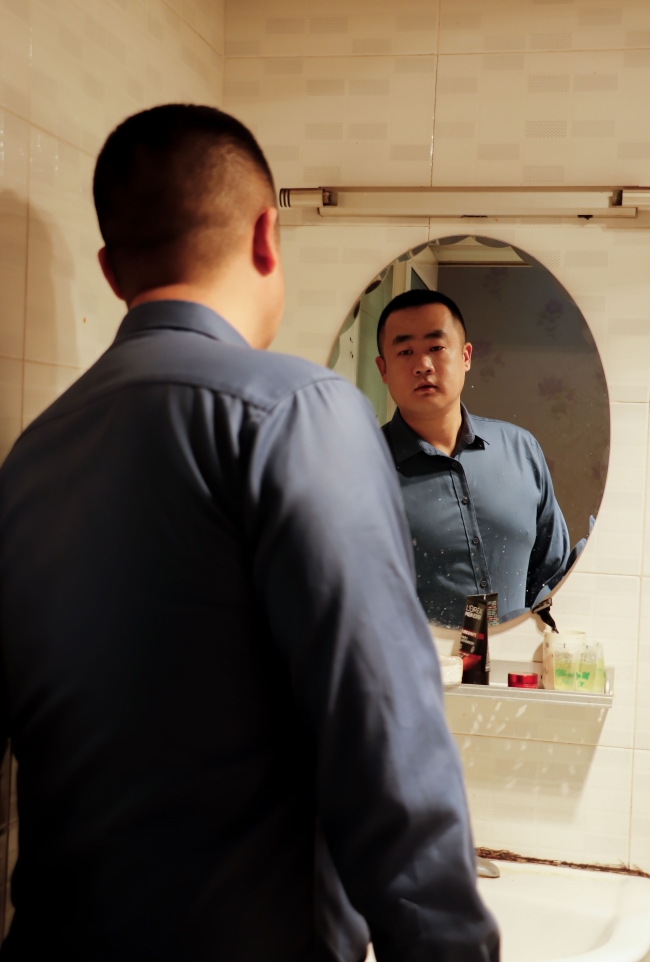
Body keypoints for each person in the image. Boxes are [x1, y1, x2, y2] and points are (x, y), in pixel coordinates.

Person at [0, 106, 498, 962]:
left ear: (112, 270)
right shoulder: (296, 410)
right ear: (267, 235)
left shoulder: (30, 456)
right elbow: (382, 737)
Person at [376, 289, 570, 630]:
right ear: (383, 369)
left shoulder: (521, 449)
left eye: (436, 348)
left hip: (515, 659)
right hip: (407, 661)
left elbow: (552, 576)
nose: (423, 365)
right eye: (405, 352)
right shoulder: (362, 465)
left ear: (465, 356)